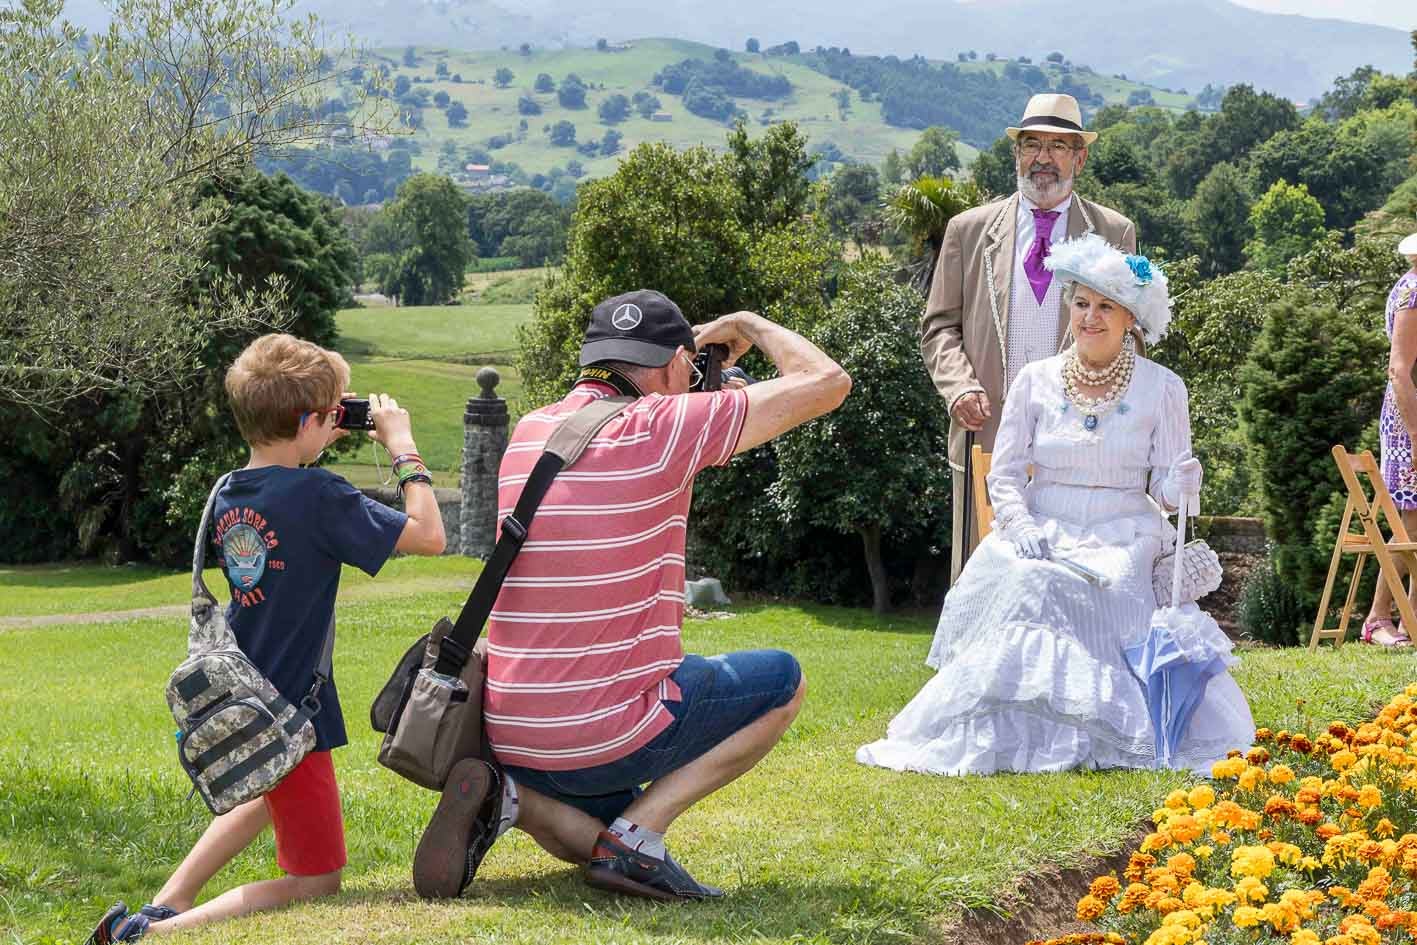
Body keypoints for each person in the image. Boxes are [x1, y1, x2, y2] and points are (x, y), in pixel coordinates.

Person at [413, 289, 850, 902]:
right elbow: (827, 381)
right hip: (600, 735)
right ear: (676, 362)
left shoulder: (533, 431)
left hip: (512, 732)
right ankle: (640, 837)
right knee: (784, 680)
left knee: (596, 831)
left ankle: (512, 797)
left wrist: (691, 369)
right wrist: (744, 321)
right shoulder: (664, 427)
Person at [88, 333, 446, 942]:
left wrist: (310, 435)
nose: (341, 420)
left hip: (246, 695)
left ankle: (167, 900)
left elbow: (284, 502)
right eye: (334, 412)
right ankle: (154, 934)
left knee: (265, 786)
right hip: (291, 713)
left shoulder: (228, 491)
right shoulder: (321, 496)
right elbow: (430, 534)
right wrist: (403, 447)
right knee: (317, 882)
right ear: (309, 421)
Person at [858, 235, 1253, 776]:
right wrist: (1017, 523)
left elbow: (1164, 489)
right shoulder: (1034, 379)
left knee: (1109, 581)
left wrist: (1183, 484)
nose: (1090, 317)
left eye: (1106, 306)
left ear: (1131, 319)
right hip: (1043, 522)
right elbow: (1004, 473)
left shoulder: (1164, 388)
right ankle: (1013, 732)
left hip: (1124, 527)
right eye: (1081, 302)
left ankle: (1099, 728)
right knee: (1030, 579)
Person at [921, 93, 1137, 582]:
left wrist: (1097, 400)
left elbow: (1131, 335)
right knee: (982, 574)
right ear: (1017, 154)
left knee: (1071, 574)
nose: (1043, 158)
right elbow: (939, 326)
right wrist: (959, 388)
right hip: (988, 433)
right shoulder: (967, 231)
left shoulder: (1114, 233)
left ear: (1079, 158)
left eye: (1058, 146)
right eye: (1032, 144)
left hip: (1080, 441)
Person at [1362, 232, 1417, 646]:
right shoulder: (1414, 293)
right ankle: (1378, 618)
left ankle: (1409, 620)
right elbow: (1399, 370)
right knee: (1409, 522)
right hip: (1409, 418)